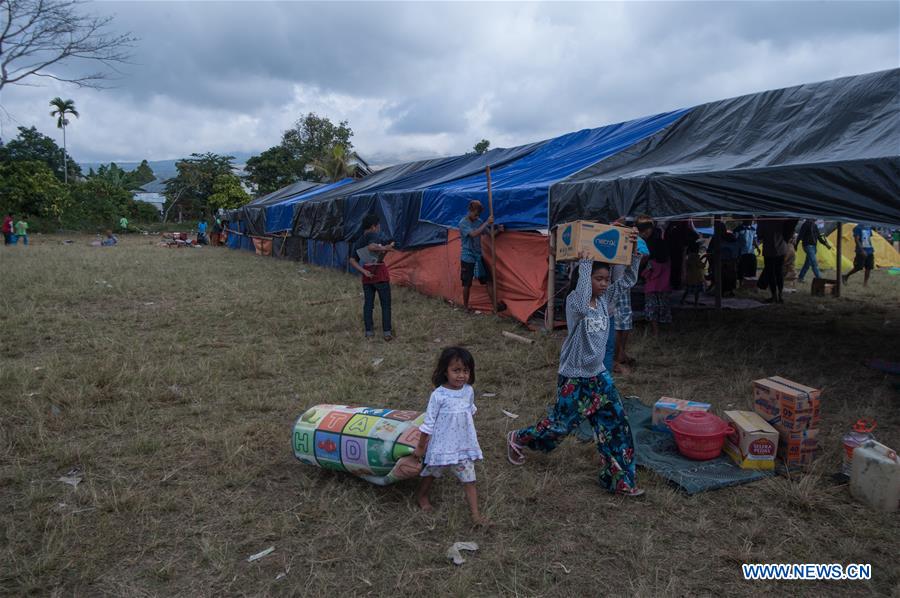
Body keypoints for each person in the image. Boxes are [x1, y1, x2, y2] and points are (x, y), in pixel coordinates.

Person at [506, 233, 645, 497]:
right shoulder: (574, 303)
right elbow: (581, 303)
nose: (604, 284)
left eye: (606, 279)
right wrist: (584, 265)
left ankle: (620, 481)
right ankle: (518, 437)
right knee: (559, 427)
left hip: (599, 377)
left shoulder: (605, 300)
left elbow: (627, 281)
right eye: (598, 279)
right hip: (575, 378)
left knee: (616, 425)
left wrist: (635, 257)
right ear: (586, 278)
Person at [413, 346, 488, 526]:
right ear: (445, 371)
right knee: (431, 473)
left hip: (463, 446)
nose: (461, 375)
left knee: (469, 479)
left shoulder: (468, 391)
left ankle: (476, 516)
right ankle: (421, 496)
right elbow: (428, 423)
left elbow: (469, 411)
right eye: (456, 370)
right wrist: (421, 446)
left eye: (465, 371)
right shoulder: (438, 395)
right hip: (442, 446)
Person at [348, 214, 396, 340]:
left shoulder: (359, 240)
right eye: (378, 225)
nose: (379, 228)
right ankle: (387, 332)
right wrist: (386, 247)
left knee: (368, 305)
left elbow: (352, 260)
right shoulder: (373, 235)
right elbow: (371, 247)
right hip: (379, 273)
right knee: (385, 304)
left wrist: (363, 271)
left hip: (367, 275)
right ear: (373, 227)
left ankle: (369, 331)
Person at [458, 200, 506, 312]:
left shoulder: (479, 221)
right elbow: (473, 234)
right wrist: (486, 222)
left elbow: (490, 235)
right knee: (467, 283)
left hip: (478, 257)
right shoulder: (463, 223)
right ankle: (466, 307)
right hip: (467, 257)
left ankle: (495, 306)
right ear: (470, 210)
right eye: (475, 214)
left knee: (489, 280)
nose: (477, 216)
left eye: (478, 214)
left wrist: (498, 230)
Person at [638, 217, 671, 335]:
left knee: (652, 309)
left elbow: (645, 274)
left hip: (651, 288)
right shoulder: (667, 263)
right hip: (664, 288)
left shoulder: (651, 263)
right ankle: (665, 330)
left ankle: (655, 332)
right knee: (663, 307)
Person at [756, 218, 797, 303]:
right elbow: (788, 232)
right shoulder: (782, 219)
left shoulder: (763, 220)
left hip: (769, 250)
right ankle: (780, 296)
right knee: (779, 273)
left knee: (771, 273)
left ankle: (774, 296)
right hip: (781, 249)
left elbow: (760, 235)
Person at [796, 219, 832, 283]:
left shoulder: (814, 225)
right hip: (808, 246)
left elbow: (819, 237)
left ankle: (800, 278)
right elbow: (800, 235)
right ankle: (820, 279)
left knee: (807, 264)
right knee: (814, 263)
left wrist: (826, 244)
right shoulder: (806, 224)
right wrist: (796, 245)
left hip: (813, 247)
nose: (816, 218)